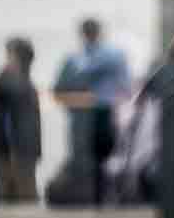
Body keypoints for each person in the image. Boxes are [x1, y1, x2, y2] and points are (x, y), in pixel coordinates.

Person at [53, 17, 130, 205]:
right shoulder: (115, 55)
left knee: (88, 160)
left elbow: (60, 89)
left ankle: (95, 198)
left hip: (85, 116)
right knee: (108, 159)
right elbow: (126, 87)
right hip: (107, 114)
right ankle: (108, 198)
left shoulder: (74, 61)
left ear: (83, 35)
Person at [0, 37, 41, 203]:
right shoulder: (15, 81)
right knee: (21, 195)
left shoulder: (14, 80)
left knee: (17, 195)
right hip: (17, 150)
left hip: (16, 151)